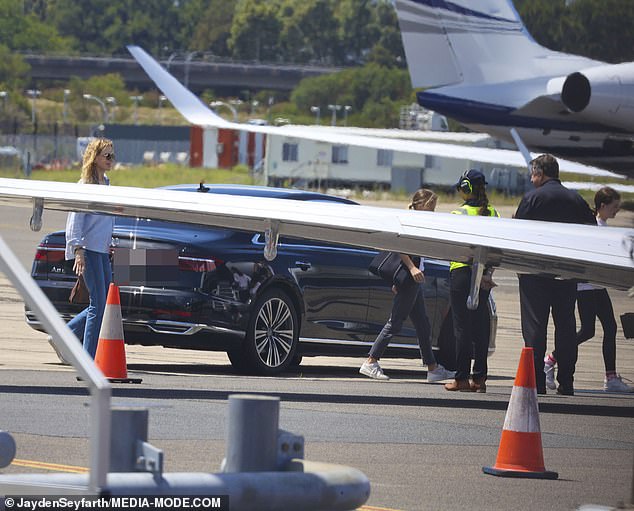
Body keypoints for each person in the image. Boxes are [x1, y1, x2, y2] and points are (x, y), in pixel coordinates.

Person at [514, 154, 596, 395]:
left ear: (540, 173)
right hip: (566, 273)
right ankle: (567, 382)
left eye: (532, 174)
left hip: (535, 273)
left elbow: (516, 233)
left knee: (534, 329)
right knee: (566, 327)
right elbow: (592, 231)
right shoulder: (576, 199)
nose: (531, 179)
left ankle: (537, 382)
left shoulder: (532, 198)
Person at [360, 189, 455, 382]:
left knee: (422, 324)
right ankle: (371, 361)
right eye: (431, 207)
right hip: (410, 278)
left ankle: (432, 368)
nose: (433, 212)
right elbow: (400, 246)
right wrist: (412, 268)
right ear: (420, 205)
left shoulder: (416, 219)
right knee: (395, 322)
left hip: (413, 280)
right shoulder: (410, 219)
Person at [544, 187, 633, 393]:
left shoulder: (604, 226)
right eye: (614, 207)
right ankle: (550, 360)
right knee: (587, 330)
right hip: (586, 286)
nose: (617, 211)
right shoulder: (595, 227)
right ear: (602, 206)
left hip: (597, 286)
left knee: (610, 327)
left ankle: (610, 377)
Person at [444, 170, 500, 393]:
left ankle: (461, 378)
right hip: (482, 276)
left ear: (465, 188)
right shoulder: (493, 212)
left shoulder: (459, 214)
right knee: (480, 328)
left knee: (461, 328)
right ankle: (480, 378)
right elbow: (497, 250)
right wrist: (488, 274)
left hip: (461, 273)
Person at [61, 138, 116, 359]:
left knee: (104, 305)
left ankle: (65, 335)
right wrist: (78, 249)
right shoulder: (85, 184)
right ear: (95, 158)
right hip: (89, 250)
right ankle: (87, 360)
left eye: (113, 155)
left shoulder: (107, 182)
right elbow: (75, 219)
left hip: (102, 250)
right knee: (98, 304)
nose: (111, 160)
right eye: (107, 155)